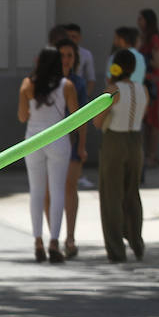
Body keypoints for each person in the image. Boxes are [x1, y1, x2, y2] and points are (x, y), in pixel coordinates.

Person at [18, 47, 79, 263]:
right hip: (58, 139)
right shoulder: (67, 85)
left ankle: (38, 241)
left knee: (36, 191)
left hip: (33, 140)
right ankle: (54, 240)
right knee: (57, 191)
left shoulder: (28, 84)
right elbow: (75, 117)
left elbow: (22, 116)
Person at [93, 49, 148, 262]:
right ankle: (136, 241)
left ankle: (116, 249)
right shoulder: (143, 89)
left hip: (115, 140)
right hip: (135, 140)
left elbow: (97, 122)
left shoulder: (113, 90)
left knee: (111, 196)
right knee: (132, 193)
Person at [54, 39, 88, 258]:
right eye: (62, 55)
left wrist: (82, 146)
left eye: (70, 55)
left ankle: (70, 237)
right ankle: (53, 238)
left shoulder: (78, 83)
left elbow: (83, 117)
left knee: (69, 187)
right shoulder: (48, 81)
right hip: (50, 143)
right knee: (51, 190)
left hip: (72, 142)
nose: (66, 59)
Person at [138, 9, 159, 167]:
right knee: (146, 119)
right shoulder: (145, 38)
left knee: (152, 119)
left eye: (141, 19)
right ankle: (147, 154)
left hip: (153, 82)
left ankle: (151, 155)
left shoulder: (153, 39)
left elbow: (158, 63)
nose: (138, 21)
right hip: (146, 81)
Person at [63, 23, 96, 94]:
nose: (70, 39)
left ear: (79, 37)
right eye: (68, 36)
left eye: (73, 36)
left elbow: (91, 79)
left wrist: (85, 95)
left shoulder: (86, 54)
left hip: (78, 90)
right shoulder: (57, 51)